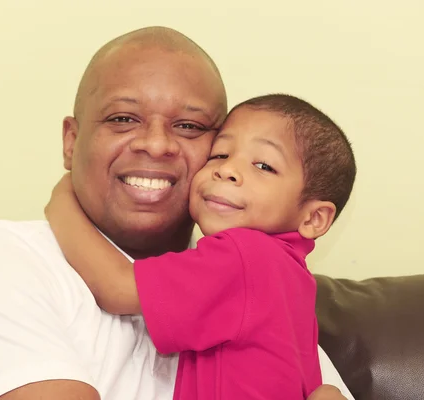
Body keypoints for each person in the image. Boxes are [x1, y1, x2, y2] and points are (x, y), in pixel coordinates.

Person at [0, 27, 354, 400]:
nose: (155, 144)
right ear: (71, 142)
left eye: (190, 126)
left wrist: (61, 199)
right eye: (123, 118)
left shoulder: (257, 280)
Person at [45, 92, 356, 400]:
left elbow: (117, 287)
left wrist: (63, 199)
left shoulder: (245, 256)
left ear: (314, 218)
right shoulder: (292, 278)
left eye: (263, 166)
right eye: (219, 154)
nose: (227, 170)